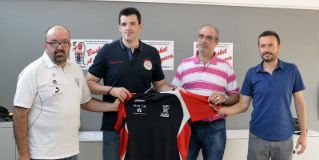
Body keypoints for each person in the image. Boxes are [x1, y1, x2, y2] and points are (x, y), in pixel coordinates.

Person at [13, 26, 119, 160]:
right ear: (46, 46)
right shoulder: (32, 72)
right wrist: (23, 154)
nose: (59, 47)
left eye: (64, 42)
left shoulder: (76, 70)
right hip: (42, 154)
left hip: (71, 152)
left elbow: (86, 102)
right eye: (54, 42)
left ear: (70, 45)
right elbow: (19, 113)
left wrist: (113, 107)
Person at [86, 7, 176, 160]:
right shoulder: (107, 51)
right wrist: (111, 90)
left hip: (144, 125)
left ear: (140, 26)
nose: (128, 28)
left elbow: (160, 85)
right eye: (124, 24)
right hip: (113, 126)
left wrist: (175, 91)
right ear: (119, 27)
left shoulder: (152, 53)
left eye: (132, 23)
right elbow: (89, 83)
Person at [218, 30, 307, 160]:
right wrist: (220, 110)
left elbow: (300, 102)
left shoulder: (292, 70)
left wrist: (303, 134)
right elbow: (243, 105)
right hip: (258, 136)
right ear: (259, 48)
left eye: (271, 45)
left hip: (284, 137)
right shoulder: (251, 74)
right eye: (263, 46)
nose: (266, 49)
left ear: (279, 47)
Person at [171, 25, 240, 160]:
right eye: (201, 36)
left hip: (215, 127)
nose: (204, 40)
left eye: (209, 37)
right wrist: (176, 91)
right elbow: (173, 92)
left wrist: (223, 98)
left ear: (216, 42)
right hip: (188, 125)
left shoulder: (226, 67)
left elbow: (235, 96)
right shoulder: (184, 65)